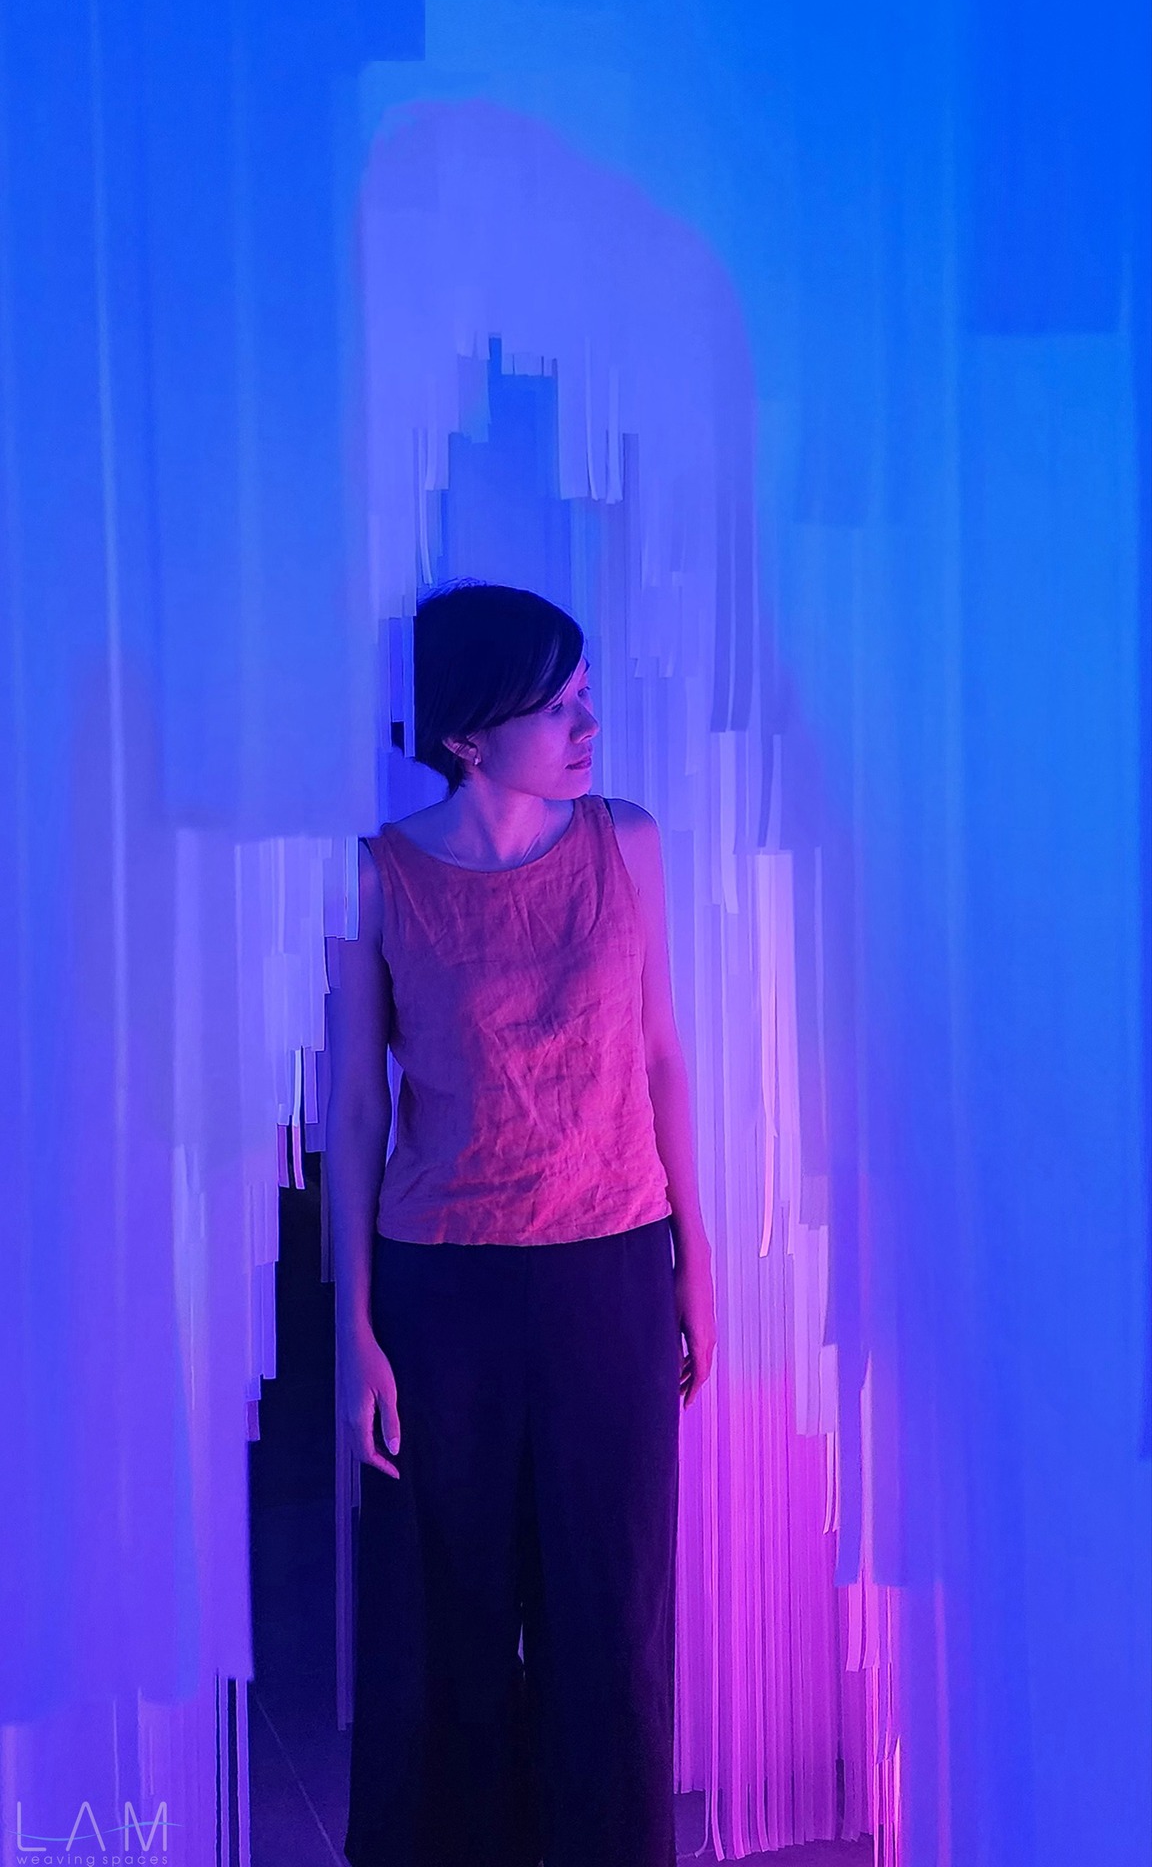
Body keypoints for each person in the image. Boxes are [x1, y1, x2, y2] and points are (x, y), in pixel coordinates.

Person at [328, 581, 717, 1867]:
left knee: (610, 1609)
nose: (588, 725)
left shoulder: (627, 842)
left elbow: (662, 1056)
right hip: (442, 1289)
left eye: (586, 696)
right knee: (444, 1612)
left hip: (612, 1266)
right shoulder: (378, 876)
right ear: (466, 735)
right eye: (558, 706)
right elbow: (356, 1114)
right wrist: (355, 1332)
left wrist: (697, 1259)